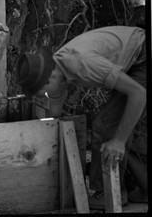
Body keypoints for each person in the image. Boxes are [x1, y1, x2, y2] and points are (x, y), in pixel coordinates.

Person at [16, 25, 147, 210]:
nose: (40, 97)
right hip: (133, 58)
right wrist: (49, 131)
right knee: (119, 126)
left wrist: (118, 140)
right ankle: (141, 188)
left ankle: (105, 193)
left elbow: (139, 94)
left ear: (49, 79)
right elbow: (55, 106)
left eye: (39, 92)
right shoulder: (56, 67)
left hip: (142, 58)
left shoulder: (82, 64)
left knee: (105, 126)